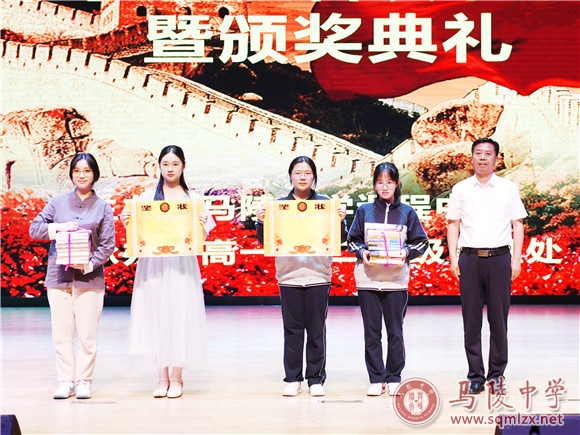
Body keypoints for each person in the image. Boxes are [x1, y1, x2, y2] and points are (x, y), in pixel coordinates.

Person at [120, 145, 215, 399]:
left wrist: (202, 225)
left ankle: (177, 377)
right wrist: (128, 221)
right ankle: (162, 377)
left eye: (175, 164)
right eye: (165, 164)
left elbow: (202, 237)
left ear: (183, 166)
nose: (170, 169)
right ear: (159, 167)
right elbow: (136, 234)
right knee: (157, 317)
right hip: (154, 267)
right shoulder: (145, 199)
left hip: (182, 267)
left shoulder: (193, 200)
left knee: (180, 316)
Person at [255, 156, 347, 397]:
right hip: (289, 276)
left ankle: (315, 379)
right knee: (292, 330)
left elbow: (340, 239)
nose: (302, 177)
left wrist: (341, 220)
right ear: (290, 176)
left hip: (318, 275)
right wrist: (261, 221)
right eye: (298, 173)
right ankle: (293, 378)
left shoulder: (326, 204)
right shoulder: (279, 206)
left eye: (307, 173)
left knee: (316, 330)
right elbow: (266, 241)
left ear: (314, 176)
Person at [29, 153, 116, 400]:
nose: (81, 175)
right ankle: (66, 381)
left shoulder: (103, 207)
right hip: (58, 277)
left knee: (87, 335)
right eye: (77, 170)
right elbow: (34, 229)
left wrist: (88, 264)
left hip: (90, 279)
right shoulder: (57, 203)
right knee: (62, 334)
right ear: (71, 174)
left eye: (87, 171)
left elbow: (108, 245)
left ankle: (84, 380)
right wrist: (57, 228)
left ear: (94, 174)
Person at [446, 137, 527, 395]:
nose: (482, 157)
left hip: (500, 259)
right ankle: (475, 376)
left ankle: (496, 375)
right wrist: (453, 258)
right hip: (469, 259)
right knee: (471, 321)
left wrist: (516, 259)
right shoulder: (461, 189)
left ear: (496, 158)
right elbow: (453, 224)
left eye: (488, 153)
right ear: (471, 157)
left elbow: (518, 224)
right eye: (478, 153)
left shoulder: (508, 188)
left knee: (498, 320)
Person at [347, 162, 428, 397]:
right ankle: (376, 379)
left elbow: (421, 242)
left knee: (395, 332)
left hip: (396, 281)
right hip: (368, 280)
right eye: (380, 182)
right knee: (372, 333)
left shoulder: (407, 212)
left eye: (389, 182)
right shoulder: (364, 211)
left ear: (397, 184)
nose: (384, 187)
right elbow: (353, 240)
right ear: (374, 185)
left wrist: (406, 252)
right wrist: (362, 252)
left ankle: (394, 377)